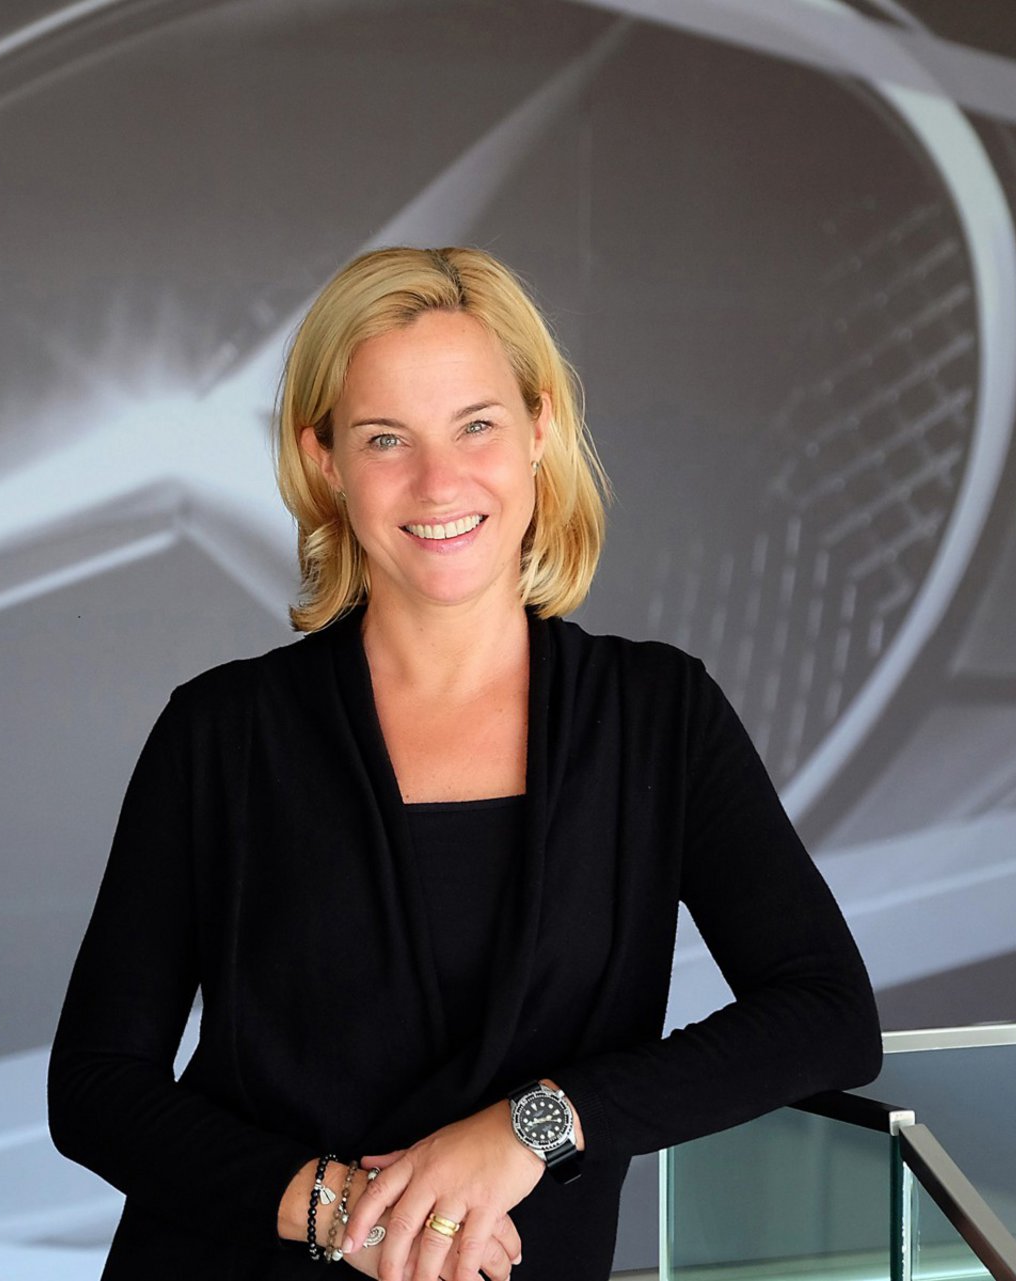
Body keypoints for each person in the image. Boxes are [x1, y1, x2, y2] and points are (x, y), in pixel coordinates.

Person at [47, 246, 882, 1281]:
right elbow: (95, 1085)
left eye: (476, 425)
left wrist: (533, 1127)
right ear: (324, 461)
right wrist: (344, 1212)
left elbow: (827, 1015)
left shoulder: (658, 716)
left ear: (539, 430)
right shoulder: (220, 734)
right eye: (385, 438)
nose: (438, 482)